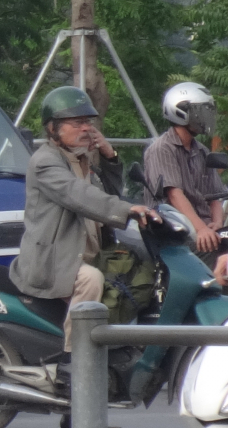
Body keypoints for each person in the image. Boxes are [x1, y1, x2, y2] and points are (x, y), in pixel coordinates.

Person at [10, 87, 154, 353]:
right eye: (78, 123)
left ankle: (123, 351)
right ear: (53, 128)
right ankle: (77, 359)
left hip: (86, 254)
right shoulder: (45, 162)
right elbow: (81, 196)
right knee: (91, 280)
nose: (86, 129)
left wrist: (110, 157)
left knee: (141, 271)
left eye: (89, 122)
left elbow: (108, 195)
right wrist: (127, 210)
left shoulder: (82, 160)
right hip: (55, 261)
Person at [144, 81, 224, 277]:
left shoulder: (202, 150)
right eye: (201, 110)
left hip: (201, 227)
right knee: (214, 253)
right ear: (181, 112)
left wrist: (218, 223)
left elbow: (215, 196)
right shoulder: (162, 149)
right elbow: (174, 195)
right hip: (174, 231)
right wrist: (202, 229)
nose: (207, 116)